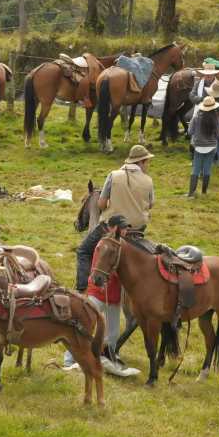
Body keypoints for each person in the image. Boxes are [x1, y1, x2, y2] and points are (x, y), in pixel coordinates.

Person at [74, 145, 154, 294]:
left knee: (83, 251)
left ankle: (82, 289)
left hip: (111, 228)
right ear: (141, 162)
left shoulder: (113, 175)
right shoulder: (148, 181)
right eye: (147, 162)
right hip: (137, 231)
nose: (148, 165)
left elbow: (101, 204)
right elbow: (150, 205)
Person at [64, 215, 136, 375]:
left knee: (113, 333)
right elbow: (100, 268)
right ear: (113, 228)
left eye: (126, 228)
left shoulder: (123, 246)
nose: (125, 231)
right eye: (122, 228)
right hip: (98, 293)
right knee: (84, 327)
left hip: (114, 297)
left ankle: (107, 357)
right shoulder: (104, 245)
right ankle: (69, 360)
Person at [188, 96, 219, 197]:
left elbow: (190, 132)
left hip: (198, 146)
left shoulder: (196, 117)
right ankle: (204, 192)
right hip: (211, 147)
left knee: (196, 169)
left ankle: (191, 193)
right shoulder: (216, 118)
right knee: (207, 169)